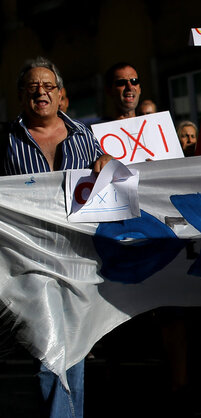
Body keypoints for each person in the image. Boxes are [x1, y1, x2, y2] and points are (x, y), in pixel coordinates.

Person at [2, 56, 113, 418]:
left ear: (61, 94)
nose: (41, 92)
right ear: (21, 96)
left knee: (73, 344)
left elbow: (108, 174)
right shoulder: (6, 141)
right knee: (50, 343)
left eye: (48, 86)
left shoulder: (84, 135)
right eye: (33, 87)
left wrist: (106, 163)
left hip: (78, 256)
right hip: (28, 257)